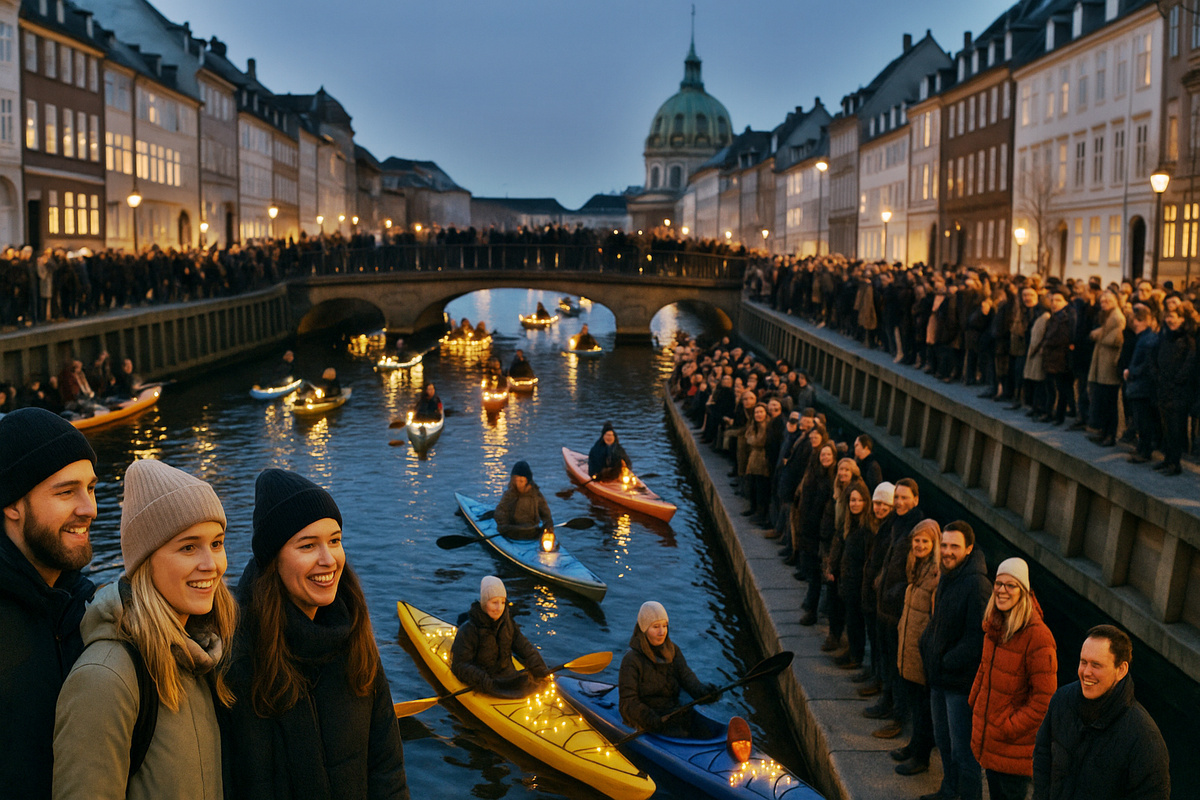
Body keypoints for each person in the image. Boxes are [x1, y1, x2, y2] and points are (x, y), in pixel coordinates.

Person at [52, 459, 236, 799]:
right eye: (188, 547)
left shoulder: (201, 655)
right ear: (145, 561)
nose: (211, 565)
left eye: (217, 543)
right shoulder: (105, 678)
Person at [225, 469, 409, 799]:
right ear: (274, 559)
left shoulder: (353, 634)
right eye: (308, 545)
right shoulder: (239, 654)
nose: (329, 560)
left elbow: (387, 768)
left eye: (335, 540)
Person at [0, 408, 98, 799]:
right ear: (12, 504)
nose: (89, 507)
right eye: (66, 491)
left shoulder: (89, 607)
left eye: (90, 488)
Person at [1033, 625, 1169, 800]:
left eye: (1096, 665)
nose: (1086, 672)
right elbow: (1042, 755)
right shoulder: (1061, 701)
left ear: (1121, 670)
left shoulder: (1144, 739)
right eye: (1083, 662)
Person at [968, 558, 1058, 800]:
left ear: (1024, 591)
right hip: (991, 738)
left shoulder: (1038, 637)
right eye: (999, 583)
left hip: (1013, 746)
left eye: (1011, 585)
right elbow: (984, 669)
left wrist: (1008, 726)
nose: (1002, 590)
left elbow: (1044, 700)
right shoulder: (996, 625)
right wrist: (974, 702)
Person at [918, 521, 991, 800]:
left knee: (965, 752)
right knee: (944, 743)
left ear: (969, 549)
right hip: (938, 677)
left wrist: (947, 660)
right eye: (944, 545)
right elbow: (938, 622)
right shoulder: (948, 575)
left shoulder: (977, 585)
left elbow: (976, 638)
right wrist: (926, 645)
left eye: (954, 547)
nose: (947, 551)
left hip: (959, 685)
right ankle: (949, 791)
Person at [618, 601, 718, 737]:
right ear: (644, 629)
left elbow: (687, 679)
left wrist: (705, 693)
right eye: (655, 627)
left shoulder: (673, 650)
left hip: (672, 712)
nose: (661, 632)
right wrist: (651, 719)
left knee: (707, 733)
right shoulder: (631, 660)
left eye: (664, 626)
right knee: (681, 735)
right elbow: (628, 702)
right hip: (649, 719)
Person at [891, 519, 941, 774]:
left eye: (925, 541)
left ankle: (921, 757)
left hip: (920, 654)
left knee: (923, 709)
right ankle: (914, 744)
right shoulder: (916, 567)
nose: (920, 545)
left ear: (934, 544)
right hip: (908, 650)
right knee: (914, 703)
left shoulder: (935, 575)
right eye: (916, 540)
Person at [451, 576, 550, 697]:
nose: (499, 608)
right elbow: (460, 665)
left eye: (503, 602)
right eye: (494, 602)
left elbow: (524, 647)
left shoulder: (508, 623)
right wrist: (484, 681)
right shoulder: (469, 630)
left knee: (531, 682)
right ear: (484, 603)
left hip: (508, 677)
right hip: (485, 682)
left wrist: (540, 669)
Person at [493, 461, 553, 539]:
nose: (519, 484)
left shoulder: (535, 495)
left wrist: (548, 525)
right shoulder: (509, 495)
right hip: (512, 531)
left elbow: (546, 514)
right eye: (516, 481)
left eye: (521, 481)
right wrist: (505, 527)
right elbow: (500, 512)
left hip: (531, 531)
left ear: (527, 481)